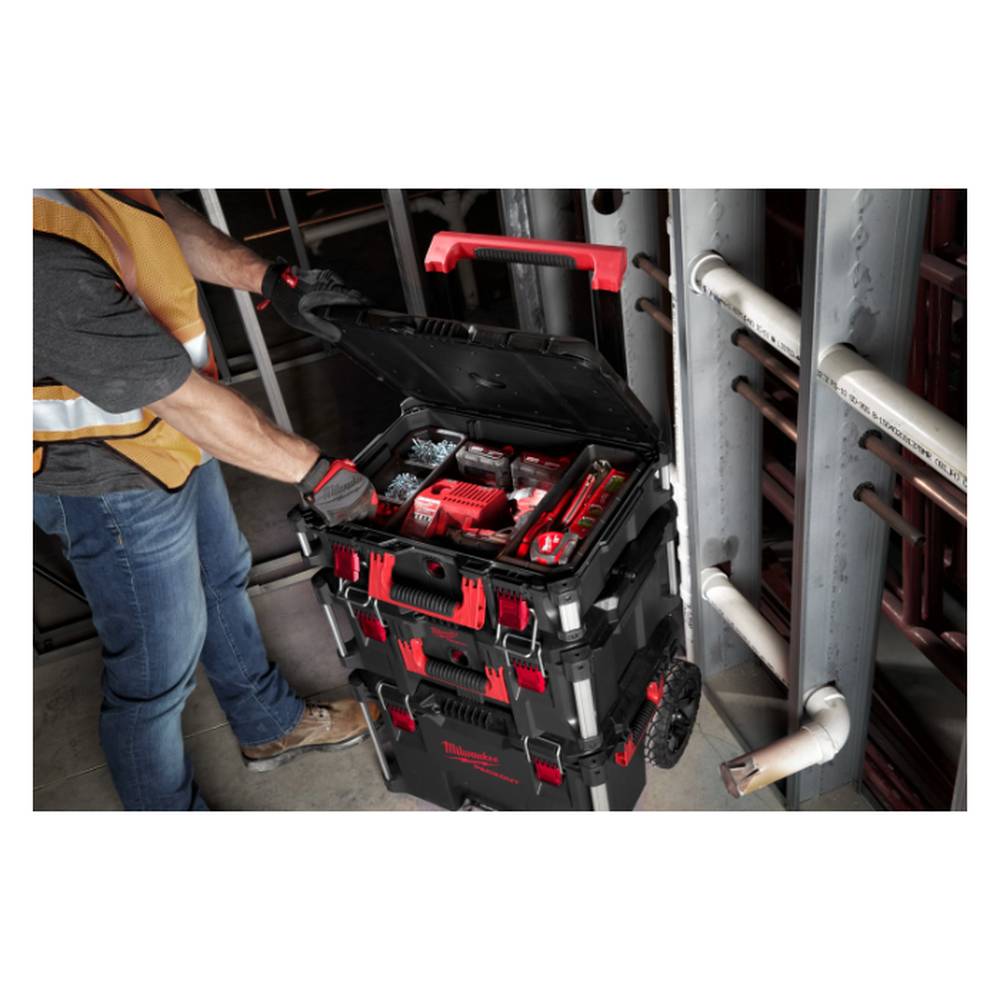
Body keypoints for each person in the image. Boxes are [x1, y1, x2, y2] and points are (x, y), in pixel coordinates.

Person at [33, 188, 378, 811]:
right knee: (153, 675)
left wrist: (265, 276)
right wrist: (318, 474)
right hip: (106, 474)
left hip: (174, 433)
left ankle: (268, 725)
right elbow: (182, 398)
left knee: (221, 577)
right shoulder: (32, 265)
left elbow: (153, 216)